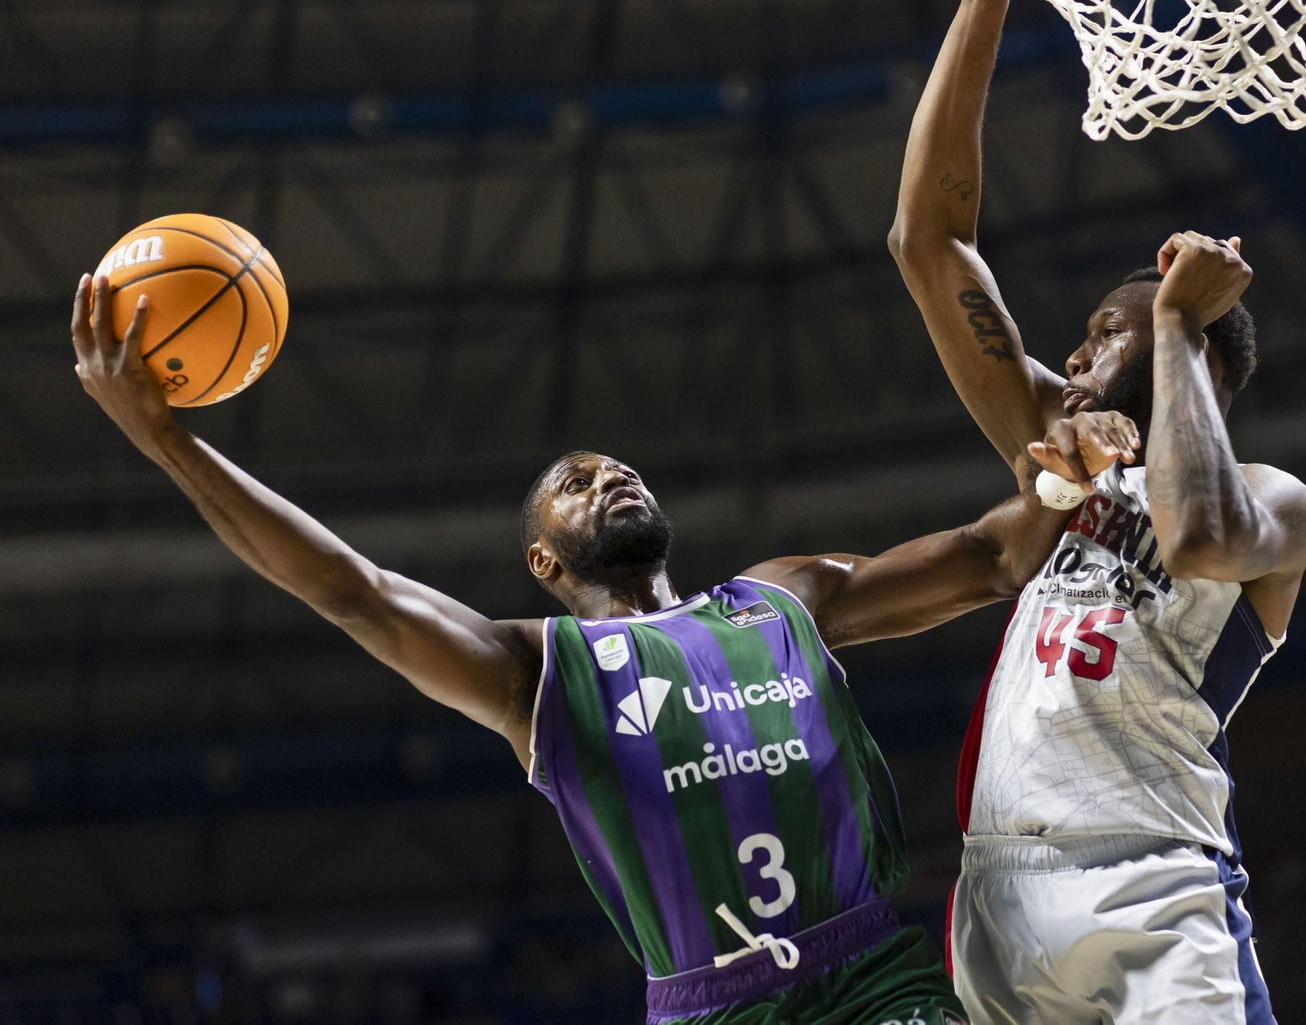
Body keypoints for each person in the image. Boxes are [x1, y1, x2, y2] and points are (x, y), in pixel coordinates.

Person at [70, 272, 1087, 1025]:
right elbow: (352, 590)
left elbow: (989, 558)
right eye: (577, 478)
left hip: (873, 978)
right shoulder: (536, 671)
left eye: (620, 467)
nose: (609, 475)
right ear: (545, 561)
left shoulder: (782, 599)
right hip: (714, 1008)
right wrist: (167, 438)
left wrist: (1074, 467)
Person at [886, 0, 1306, 1023]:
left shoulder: (1277, 500)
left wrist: (1171, 320)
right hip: (994, 897)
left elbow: (1200, 538)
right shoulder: (1060, 453)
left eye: (1101, 335)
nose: (1072, 362)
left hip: (1151, 883)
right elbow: (929, 242)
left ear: (1195, 355)